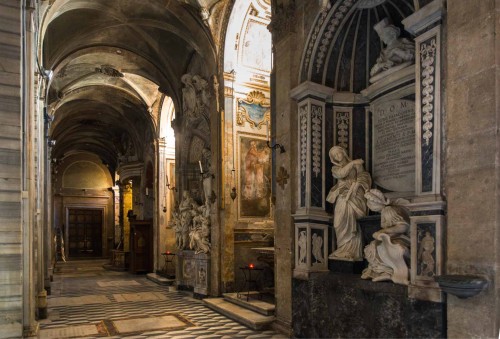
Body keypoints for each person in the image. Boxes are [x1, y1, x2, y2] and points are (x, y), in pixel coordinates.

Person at [326, 146, 371, 260]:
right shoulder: (335, 169)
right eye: (334, 156)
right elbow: (341, 174)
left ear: (343, 152)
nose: (337, 156)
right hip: (342, 196)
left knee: (353, 222)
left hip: (355, 196)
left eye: (338, 153)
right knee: (338, 222)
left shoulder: (357, 165)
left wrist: (357, 185)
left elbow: (364, 176)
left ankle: (353, 251)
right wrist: (353, 163)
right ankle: (342, 248)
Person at [361, 189, 411, 285]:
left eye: (370, 202)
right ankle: (384, 271)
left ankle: (390, 272)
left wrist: (383, 231)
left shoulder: (388, 210)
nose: (369, 205)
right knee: (372, 247)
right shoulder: (384, 211)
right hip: (390, 238)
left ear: (375, 204)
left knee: (378, 247)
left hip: (400, 238)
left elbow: (403, 226)